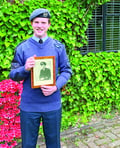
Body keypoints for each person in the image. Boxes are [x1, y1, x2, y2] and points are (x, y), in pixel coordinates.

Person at [9, 8, 72, 148]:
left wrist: (55, 86)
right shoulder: (22, 48)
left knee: (54, 143)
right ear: (31, 24)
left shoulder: (58, 47)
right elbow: (13, 74)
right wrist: (25, 68)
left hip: (52, 103)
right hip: (29, 105)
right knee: (28, 144)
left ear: (49, 25)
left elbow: (67, 71)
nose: (40, 26)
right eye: (36, 22)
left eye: (43, 22)